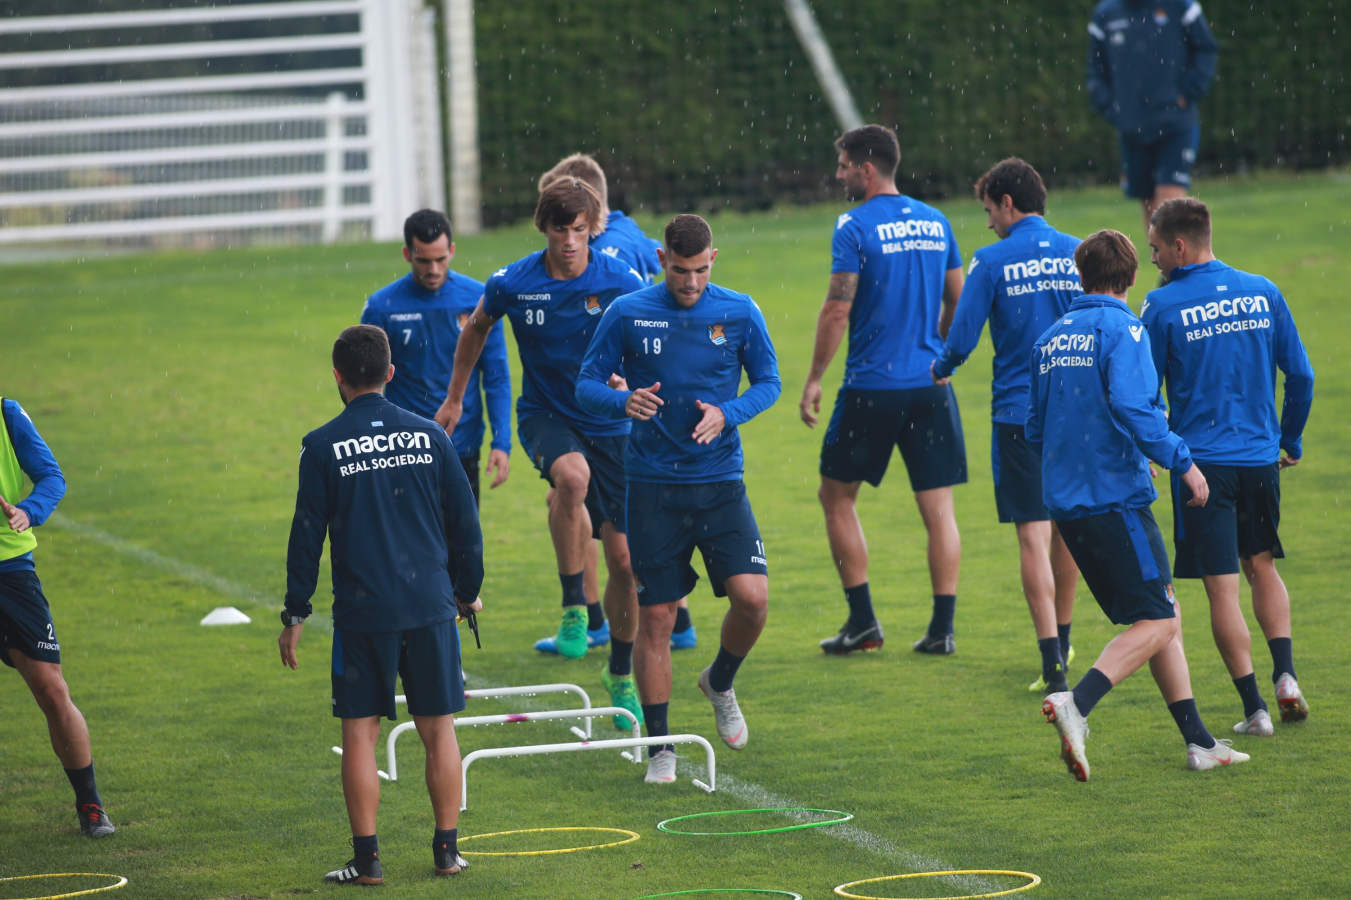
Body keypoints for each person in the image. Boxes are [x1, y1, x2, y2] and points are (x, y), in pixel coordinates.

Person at [1028, 229, 1248, 780]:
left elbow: (1037, 427)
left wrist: (1104, 447)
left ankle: (1199, 742)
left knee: (1160, 614)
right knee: (1157, 620)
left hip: (1068, 503)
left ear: (1082, 276)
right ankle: (1075, 704)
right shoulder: (1125, 329)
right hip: (1116, 501)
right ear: (1130, 278)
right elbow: (1135, 405)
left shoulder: (1051, 337)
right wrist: (1183, 461)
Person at [435, 177, 648, 729]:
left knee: (628, 562)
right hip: (547, 415)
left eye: (580, 230)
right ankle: (574, 605)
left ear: (592, 229)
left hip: (610, 419)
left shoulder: (621, 278)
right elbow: (475, 329)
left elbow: (650, 335)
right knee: (570, 480)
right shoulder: (514, 282)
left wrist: (636, 378)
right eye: (561, 230)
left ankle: (620, 674)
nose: (571, 241)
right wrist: (456, 397)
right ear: (544, 228)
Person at [576, 214, 780, 783]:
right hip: (653, 488)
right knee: (658, 617)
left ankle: (719, 680)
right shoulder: (628, 312)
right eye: (681, 271)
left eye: (700, 271)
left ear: (714, 258)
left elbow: (769, 381)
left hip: (719, 483)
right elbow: (586, 383)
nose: (690, 283)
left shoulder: (739, 311)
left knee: (753, 599)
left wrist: (728, 411)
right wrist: (622, 403)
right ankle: (660, 747)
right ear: (663, 259)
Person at [280, 325, 483, 884]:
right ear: (391, 373)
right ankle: (446, 851)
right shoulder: (430, 437)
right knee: (438, 729)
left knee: (359, 736)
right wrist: (466, 591)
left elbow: (306, 535)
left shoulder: (321, 445)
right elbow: (465, 524)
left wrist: (296, 611)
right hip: (428, 605)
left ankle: (367, 859)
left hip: (364, 612)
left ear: (338, 376)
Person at [1141, 197, 1314, 735]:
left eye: (1155, 249)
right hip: (1261, 460)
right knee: (1262, 565)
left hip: (1201, 471)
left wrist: (1150, 451)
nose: (1152, 261)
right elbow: (1301, 375)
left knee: (1222, 590)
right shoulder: (1263, 290)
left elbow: (1144, 394)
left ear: (1179, 246)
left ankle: (1255, 709)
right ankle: (1286, 675)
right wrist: (1290, 439)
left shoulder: (1162, 306)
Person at [799, 123, 966, 656]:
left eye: (845, 165)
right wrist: (935, 346)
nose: (839, 173)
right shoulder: (938, 222)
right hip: (931, 384)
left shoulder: (853, 226)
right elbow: (957, 299)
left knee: (835, 496)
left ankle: (864, 622)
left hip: (872, 385)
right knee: (938, 510)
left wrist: (815, 377)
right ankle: (942, 630)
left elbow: (837, 308)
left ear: (867, 170)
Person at [532, 155, 697, 654]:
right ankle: (679, 620)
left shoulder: (602, 257)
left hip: (618, 403)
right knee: (624, 512)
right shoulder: (641, 238)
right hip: (659, 395)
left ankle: (593, 617)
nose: (564, 237)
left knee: (575, 501)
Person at [930, 158, 1081, 694]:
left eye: (990, 210)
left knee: (1032, 536)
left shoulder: (991, 261)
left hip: (1021, 413)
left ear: (1009, 205)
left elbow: (963, 336)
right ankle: (1065, 642)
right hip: (1079, 412)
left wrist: (941, 367)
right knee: (1069, 531)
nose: (989, 221)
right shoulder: (1079, 251)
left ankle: (1051, 662)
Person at [0, 397, 113, 838]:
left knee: (51, 688)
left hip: (10, 572)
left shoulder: (7, 415)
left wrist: (29, 510)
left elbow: (51, 476)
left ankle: (90, 804)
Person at [361, 209, 510, 505]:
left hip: (461, 444)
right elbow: (365, 385)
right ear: (407, 254)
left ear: (452, 251)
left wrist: (501, 441)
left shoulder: (478, 300)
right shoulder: (382, 307)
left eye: (441, 259)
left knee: (463, 548)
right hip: (402, 447)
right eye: (424, 260)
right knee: (411, 547)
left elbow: (496, 376)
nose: (434, 270)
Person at [1086, 0, 1219, 234]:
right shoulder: (1106, 14)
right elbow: (1095, 71)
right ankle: (1166, 267)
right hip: (1132, 128)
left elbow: (1206, 49)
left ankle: (1181, 268)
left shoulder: (1181, 6)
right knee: (1148, 204)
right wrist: (1114, 109)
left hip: (1175, 123)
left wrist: (1188, 92)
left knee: (1169, 201)